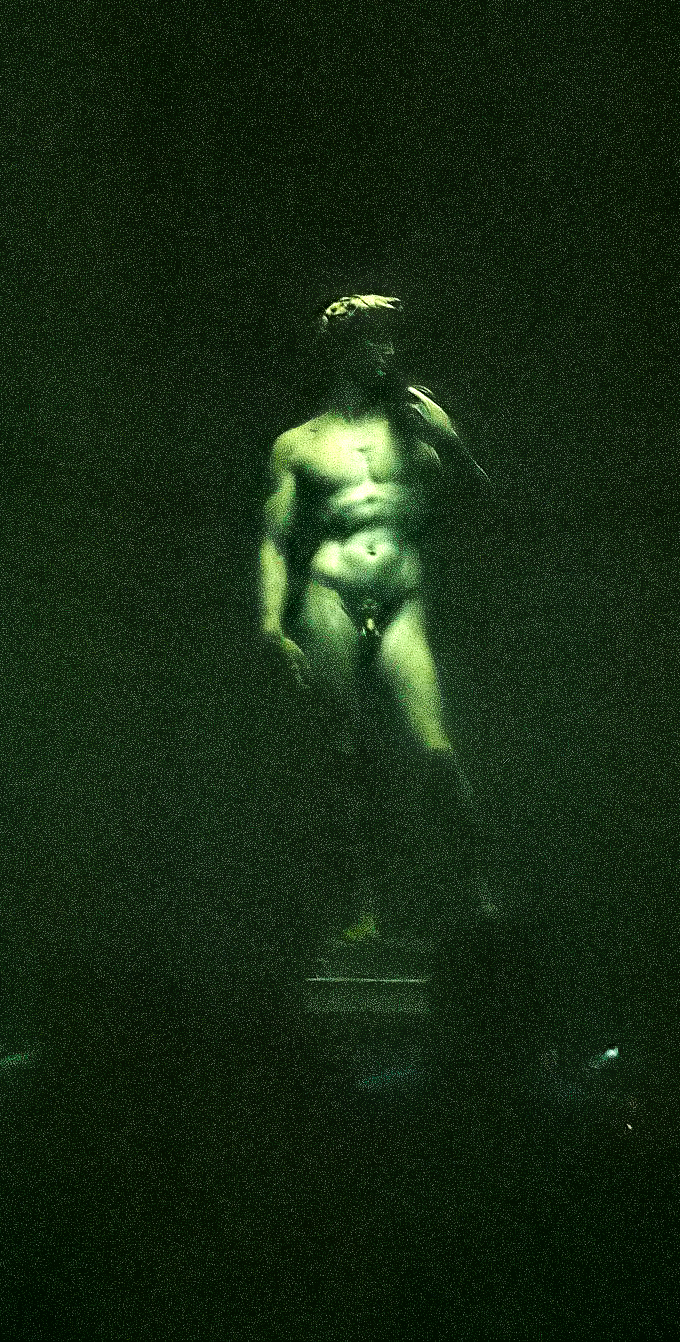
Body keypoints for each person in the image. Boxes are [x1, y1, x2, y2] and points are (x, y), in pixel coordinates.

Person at [258, 293, 494, 943]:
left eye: (391, 338)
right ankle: (360, 906)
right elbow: (274, 537)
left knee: (434, 747)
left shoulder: (417, 429)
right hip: (330, 592)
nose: (387, 351)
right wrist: (270, 623)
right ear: (341, 350)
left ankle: (477, 890)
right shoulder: (299, 443)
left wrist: (452, 442)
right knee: (344, 750)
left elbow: (484, 508)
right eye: (372, 339)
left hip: (401, 598)